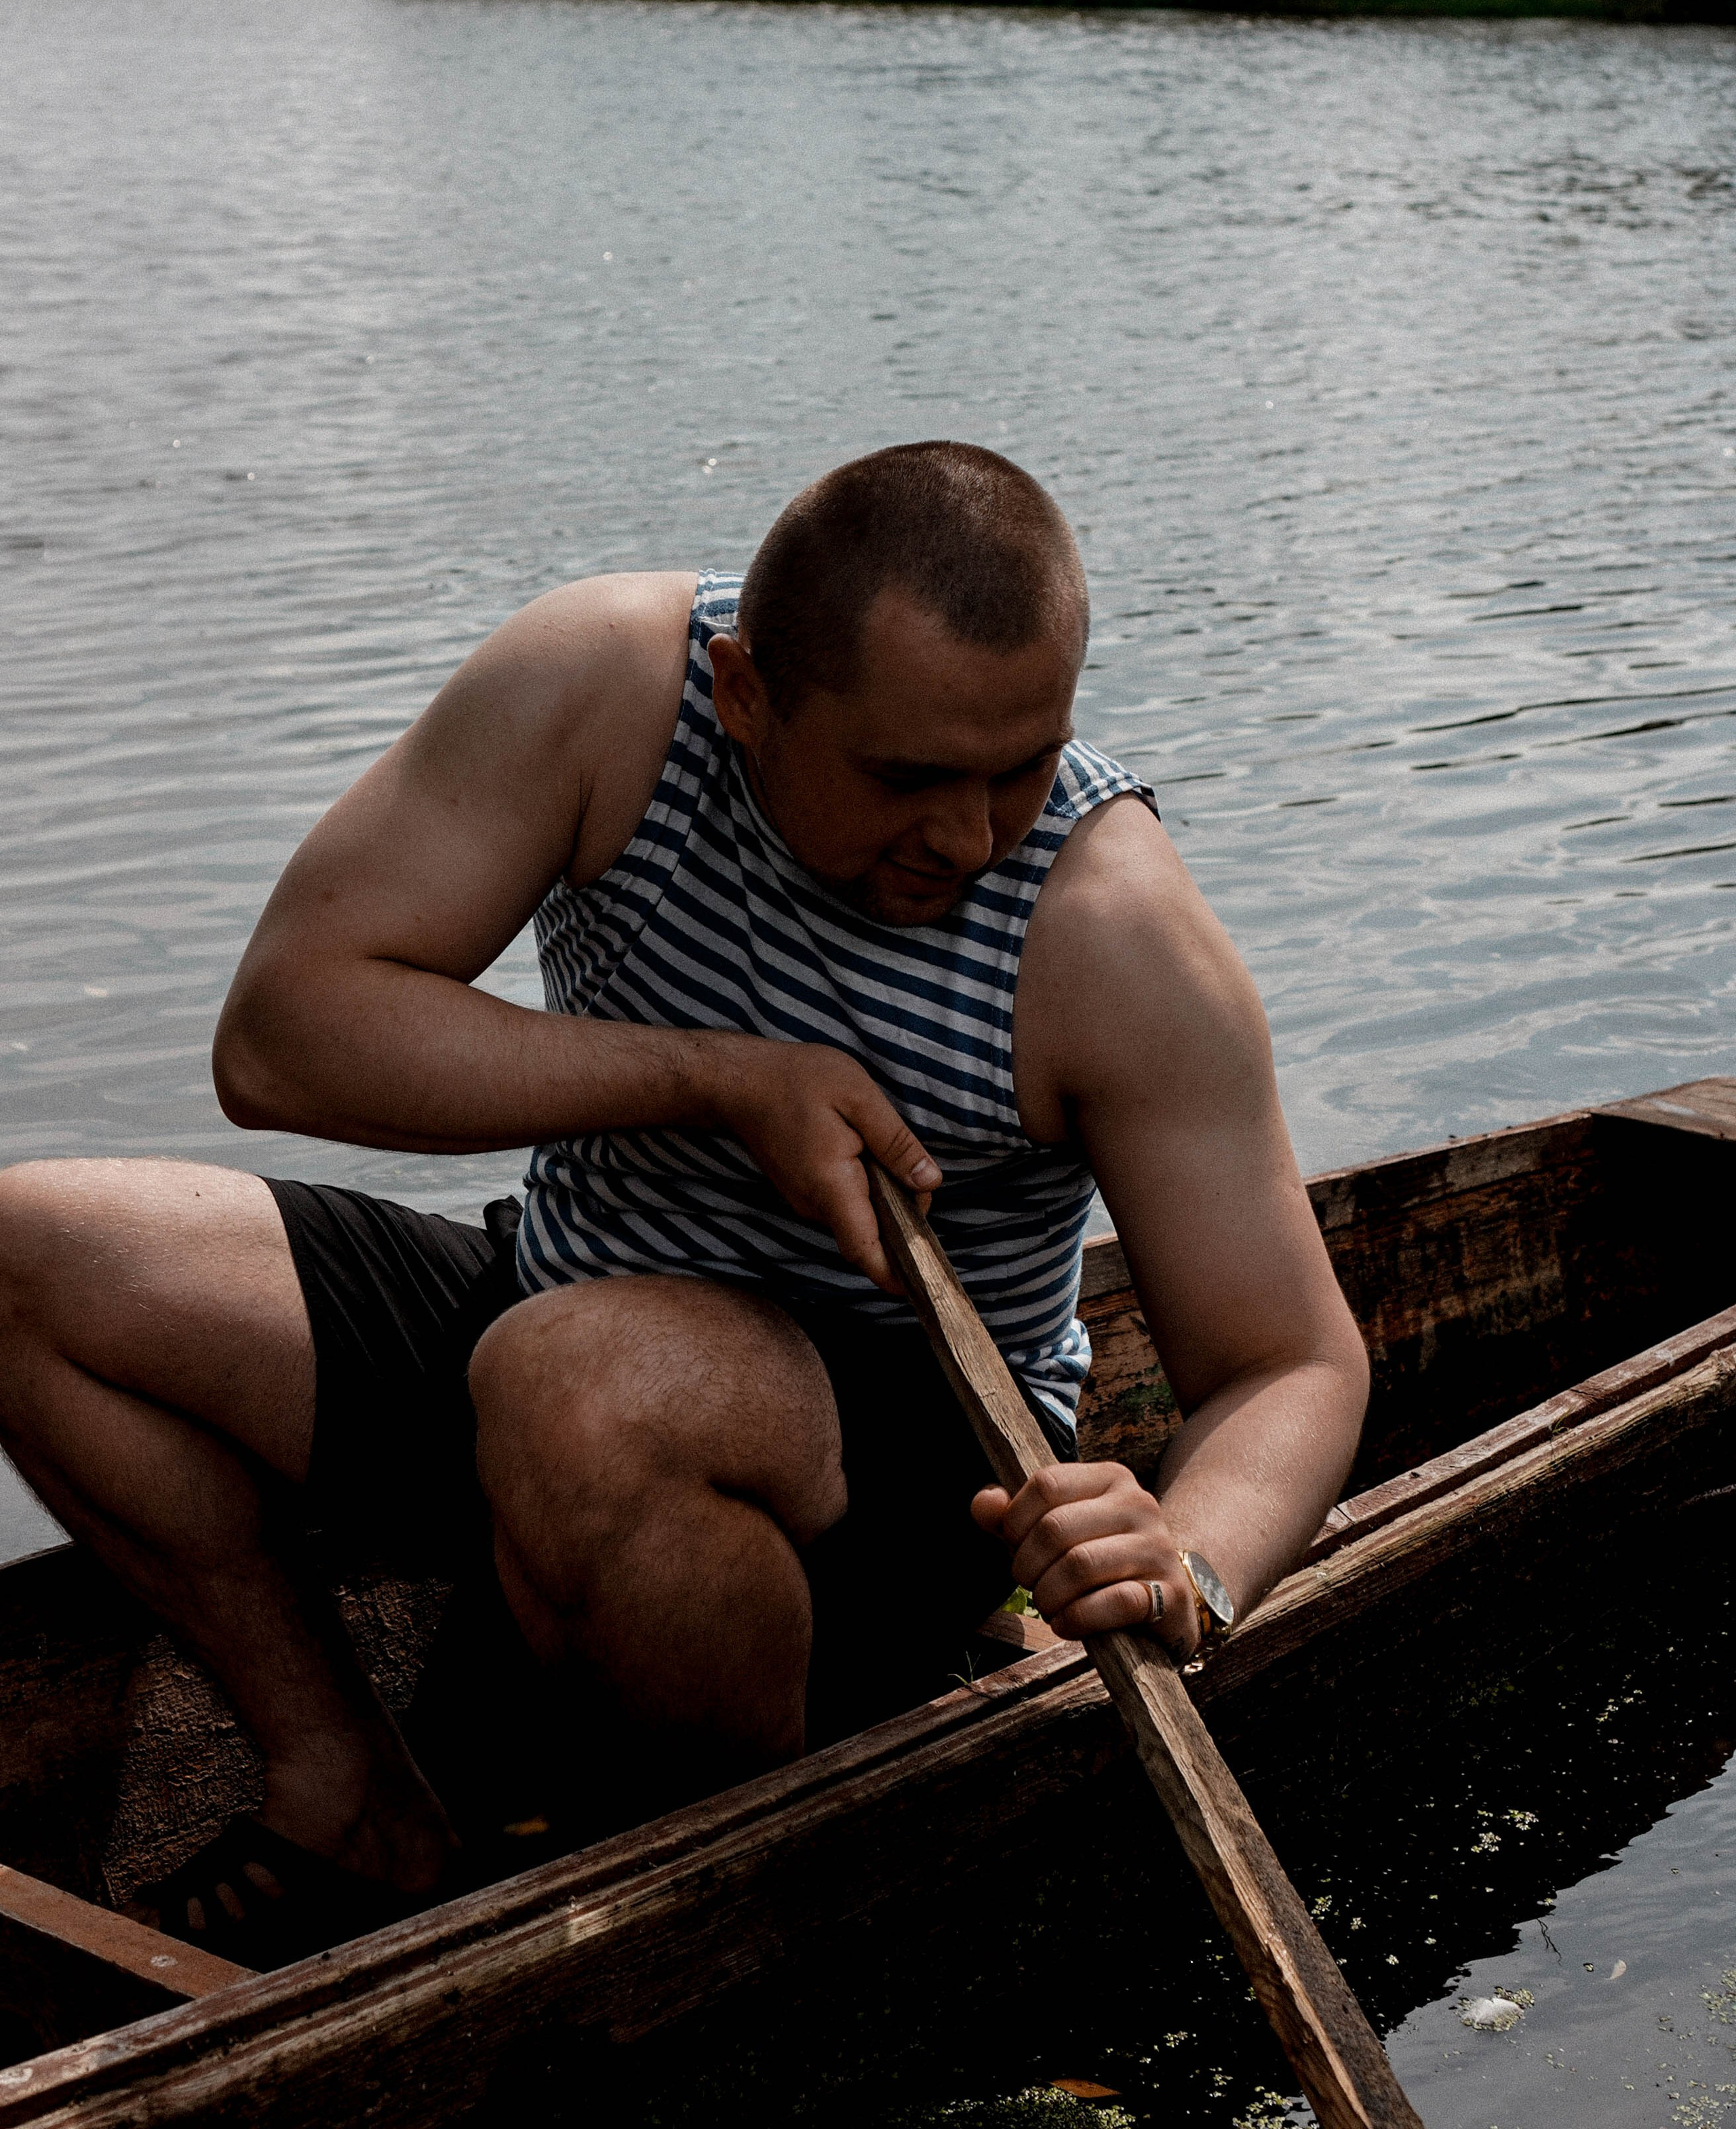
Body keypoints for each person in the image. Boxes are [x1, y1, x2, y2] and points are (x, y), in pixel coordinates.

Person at [0, 442, 1368, 1966]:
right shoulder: (607, 694)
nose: (969, 837)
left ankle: (722, 1900)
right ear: (743, 694)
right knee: (30, 1256)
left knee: (579, 1383)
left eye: (1021, 763)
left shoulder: (1110, 933)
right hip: (559, 1309)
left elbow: (1289, 1362)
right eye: (908, 777)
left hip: (909, 1469)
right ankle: (349, 1782)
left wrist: (1181, 1562)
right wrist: (717, 1080)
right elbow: (280, 1036)